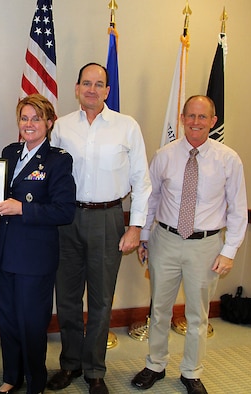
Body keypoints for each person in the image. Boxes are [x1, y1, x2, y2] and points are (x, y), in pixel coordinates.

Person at [131, 95, 248, 394]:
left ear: (213, 121)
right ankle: (155, 364)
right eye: (190, 116)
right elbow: (151, 199)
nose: (195, 122)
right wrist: (144, 237)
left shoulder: (228, 159)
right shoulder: (165, 155)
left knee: (198, 314)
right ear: (181, 119)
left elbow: (238, 209)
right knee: (159, 310)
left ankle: (191, 372)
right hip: (165, 241)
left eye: (202, 117)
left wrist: (229, 251)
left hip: (206, 246)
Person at [47, 62, 151, 394]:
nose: (92, 89)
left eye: (99, 84)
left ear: (107, 91)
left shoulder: (127, 126)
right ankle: (70, 364)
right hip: (67, 219)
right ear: (77, 88)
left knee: (102, 299)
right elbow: (48, 174)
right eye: (86, 83)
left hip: (108, 218)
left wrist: (135, 226)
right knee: (67, 297)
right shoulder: (61, 127)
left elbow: (142, 181)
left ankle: (94, 370)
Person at [0, 94, 76, 394]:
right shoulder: (9, 152)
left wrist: (21, 207)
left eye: (36, 118)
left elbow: (65, 210)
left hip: (35, 257)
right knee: (8, 320)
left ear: (49, 123)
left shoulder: (58, 160)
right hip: (7, 251)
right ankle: (12, 376)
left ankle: (36, 382)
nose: (29, 124)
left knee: (32, 325)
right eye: (24, 118)